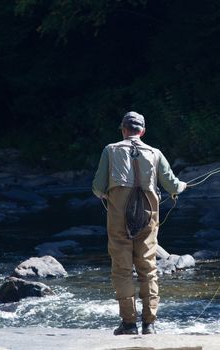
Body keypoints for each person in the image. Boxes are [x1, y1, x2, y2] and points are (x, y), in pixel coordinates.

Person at [92, 111, 187, 335]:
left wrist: (106, 194)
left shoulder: (110, 150)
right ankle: (149, 324)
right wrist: (181, 186)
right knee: (148, 269)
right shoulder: (155, 153)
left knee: (122, 270)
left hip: (118, 221)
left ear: (123, 129)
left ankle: (128, 324)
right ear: (142, 131)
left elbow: (97, 187)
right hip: (148, 220)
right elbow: (173, 187)